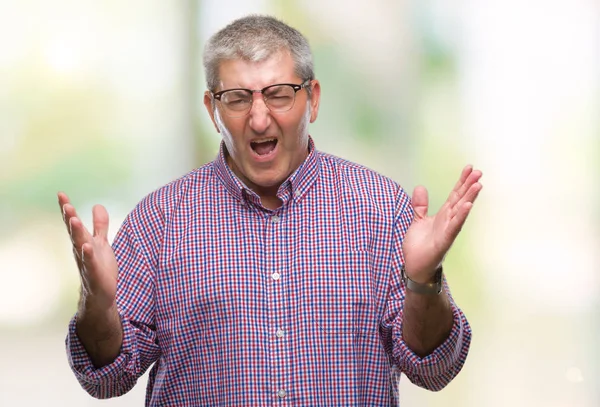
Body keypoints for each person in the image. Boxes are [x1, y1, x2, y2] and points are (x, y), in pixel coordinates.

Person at [60, 14, 482, 406]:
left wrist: (424, 282)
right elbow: (106, 379)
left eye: (279, 94)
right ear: (213, 110)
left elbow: (435, 368)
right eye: (238, 99)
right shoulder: (159, 221)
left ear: (312, 99)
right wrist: (95, 303)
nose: (259, 119)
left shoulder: (380, 208)